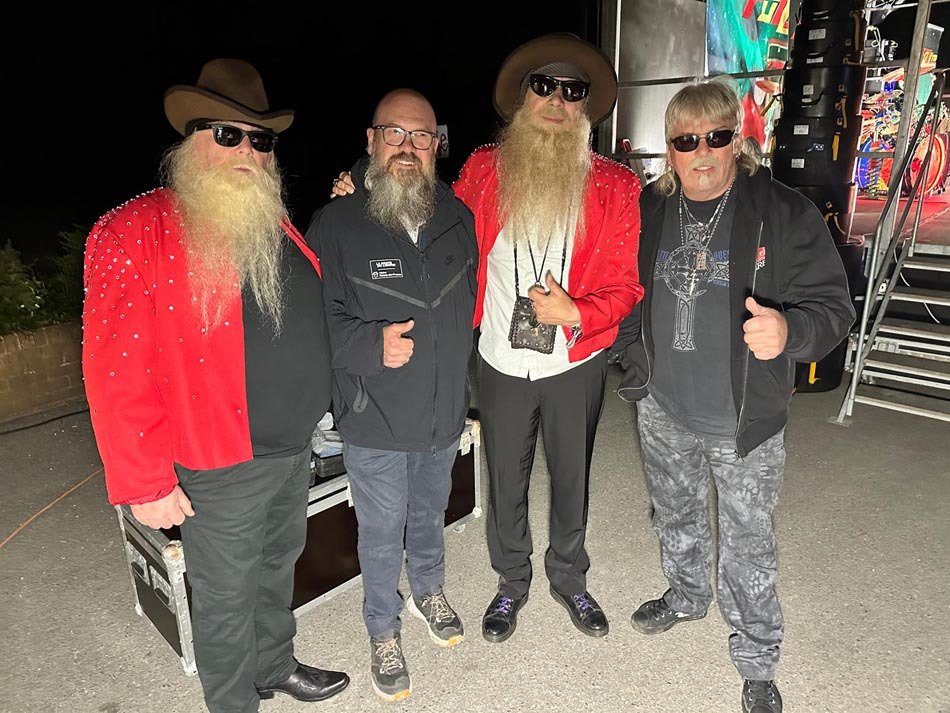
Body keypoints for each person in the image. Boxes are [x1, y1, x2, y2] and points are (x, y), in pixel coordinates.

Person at [332, 34, 643, 643]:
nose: (556, 100)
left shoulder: (615, 185)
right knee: (504, 478)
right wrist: (358, 178)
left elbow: (627, 285)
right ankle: (511, 582)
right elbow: (424, 205)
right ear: (523, 99)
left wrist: (577, 310)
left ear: (584, 107)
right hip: (499, 358)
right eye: (543, 86)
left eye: (572, 91)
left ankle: (569, 577)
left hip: (574, 358)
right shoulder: (484, 169)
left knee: (572, 476)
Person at [81, 58, 349, 713]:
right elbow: (115, 370)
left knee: (276, 567)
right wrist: (144, 483)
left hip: (292, 447)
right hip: (220, 461)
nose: (248, 150)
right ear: (189, 139)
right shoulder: (133, 231)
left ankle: (274, 664)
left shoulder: (270, 222)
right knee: (226, 598)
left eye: (262, 139)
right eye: (228, 134)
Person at [612, 78, 855, 713]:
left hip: (742, 417)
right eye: (685, 140)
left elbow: (834, 308)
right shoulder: (650, 208)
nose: (702, 152)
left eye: (716, 137)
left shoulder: (783, 211)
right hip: (663, 405)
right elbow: (627, 289)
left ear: (738, 143)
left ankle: (757, 655)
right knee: (675, 513)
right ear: (669, 149)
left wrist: (790, 331)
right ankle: (687, 595)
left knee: (749, 540)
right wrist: (629, 355)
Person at [306, 89, 478, 702]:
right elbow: (314, 321)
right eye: (395, 134)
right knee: (381, 530)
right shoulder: (336, 224)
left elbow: (468, 306)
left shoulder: (458, 216)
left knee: (430, 512)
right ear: (372, 140)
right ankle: (382, 626)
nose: (408, 146)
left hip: (441, 411)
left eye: (421, 136)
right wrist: (369, 345)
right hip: (372, 413)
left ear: (437, 145)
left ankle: (428, 589)